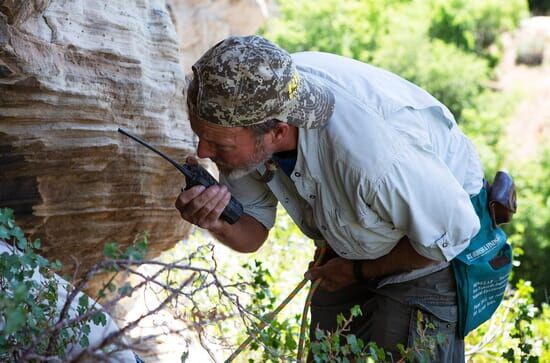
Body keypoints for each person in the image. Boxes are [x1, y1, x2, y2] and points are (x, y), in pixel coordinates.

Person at [175, 35, 484, 361]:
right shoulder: (246, 100)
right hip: (353, 240)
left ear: (278, 131)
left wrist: (358, 272)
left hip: (431, 249)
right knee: (329, 352)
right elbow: (253, 231)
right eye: (201, 137)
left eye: (218, 145)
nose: (203, 152)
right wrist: (217, 222)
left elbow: (451, 236)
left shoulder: (372, 158)